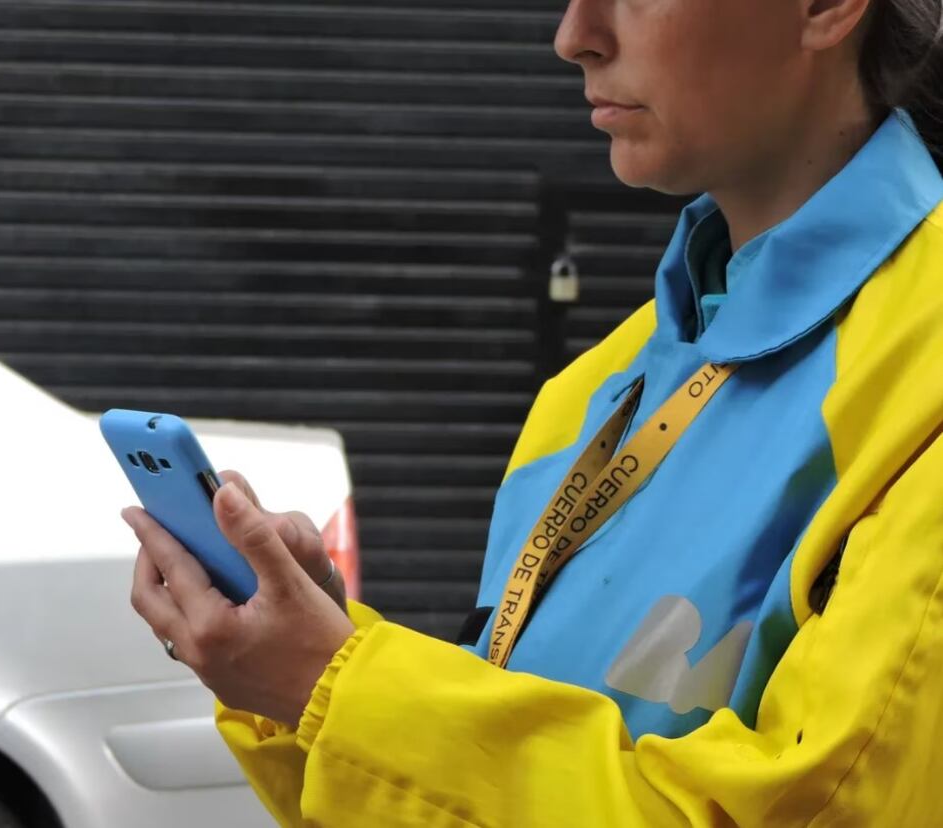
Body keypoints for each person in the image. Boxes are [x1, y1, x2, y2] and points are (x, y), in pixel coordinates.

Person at [121, 0, 943, 822]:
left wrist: (333, 686)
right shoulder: (597, 385)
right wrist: (309, 667)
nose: (574, 36)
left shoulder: (920, 383)